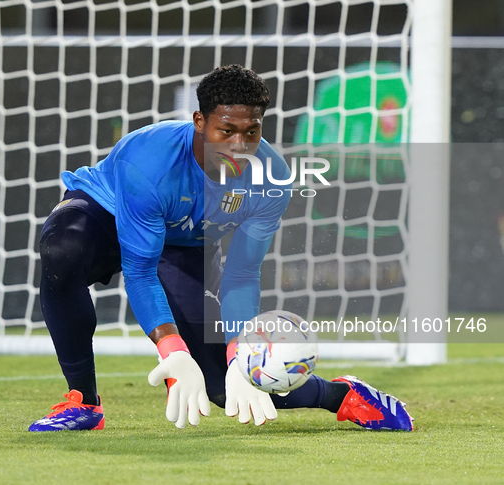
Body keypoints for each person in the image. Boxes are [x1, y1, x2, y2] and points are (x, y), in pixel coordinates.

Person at [29, 65, 413, 432]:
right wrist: (173, 350)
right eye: (225, 130)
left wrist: (238, 355)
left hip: (183, 245)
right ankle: (83, 402)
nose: (239, 146)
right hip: (106, 215)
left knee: (227, 387)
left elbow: (242, 276)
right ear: (200, 122)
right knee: (63, 250)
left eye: (251, 132)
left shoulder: (271, 180)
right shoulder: (149, 162)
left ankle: (342, 396)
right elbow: (141, 271)